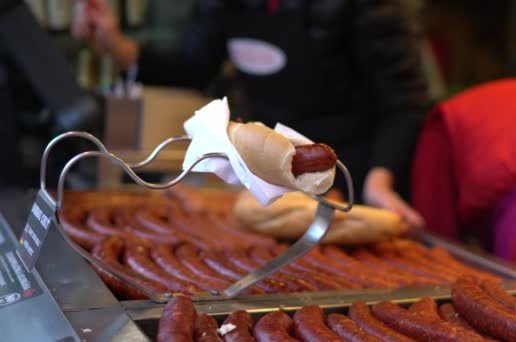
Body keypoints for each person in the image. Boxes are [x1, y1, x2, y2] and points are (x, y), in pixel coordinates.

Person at [72, 0, 429, 227]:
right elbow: (190, 67)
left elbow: (404, 100)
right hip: (272, 181)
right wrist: (113, 44)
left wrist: (380, 181)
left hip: (359, 177)